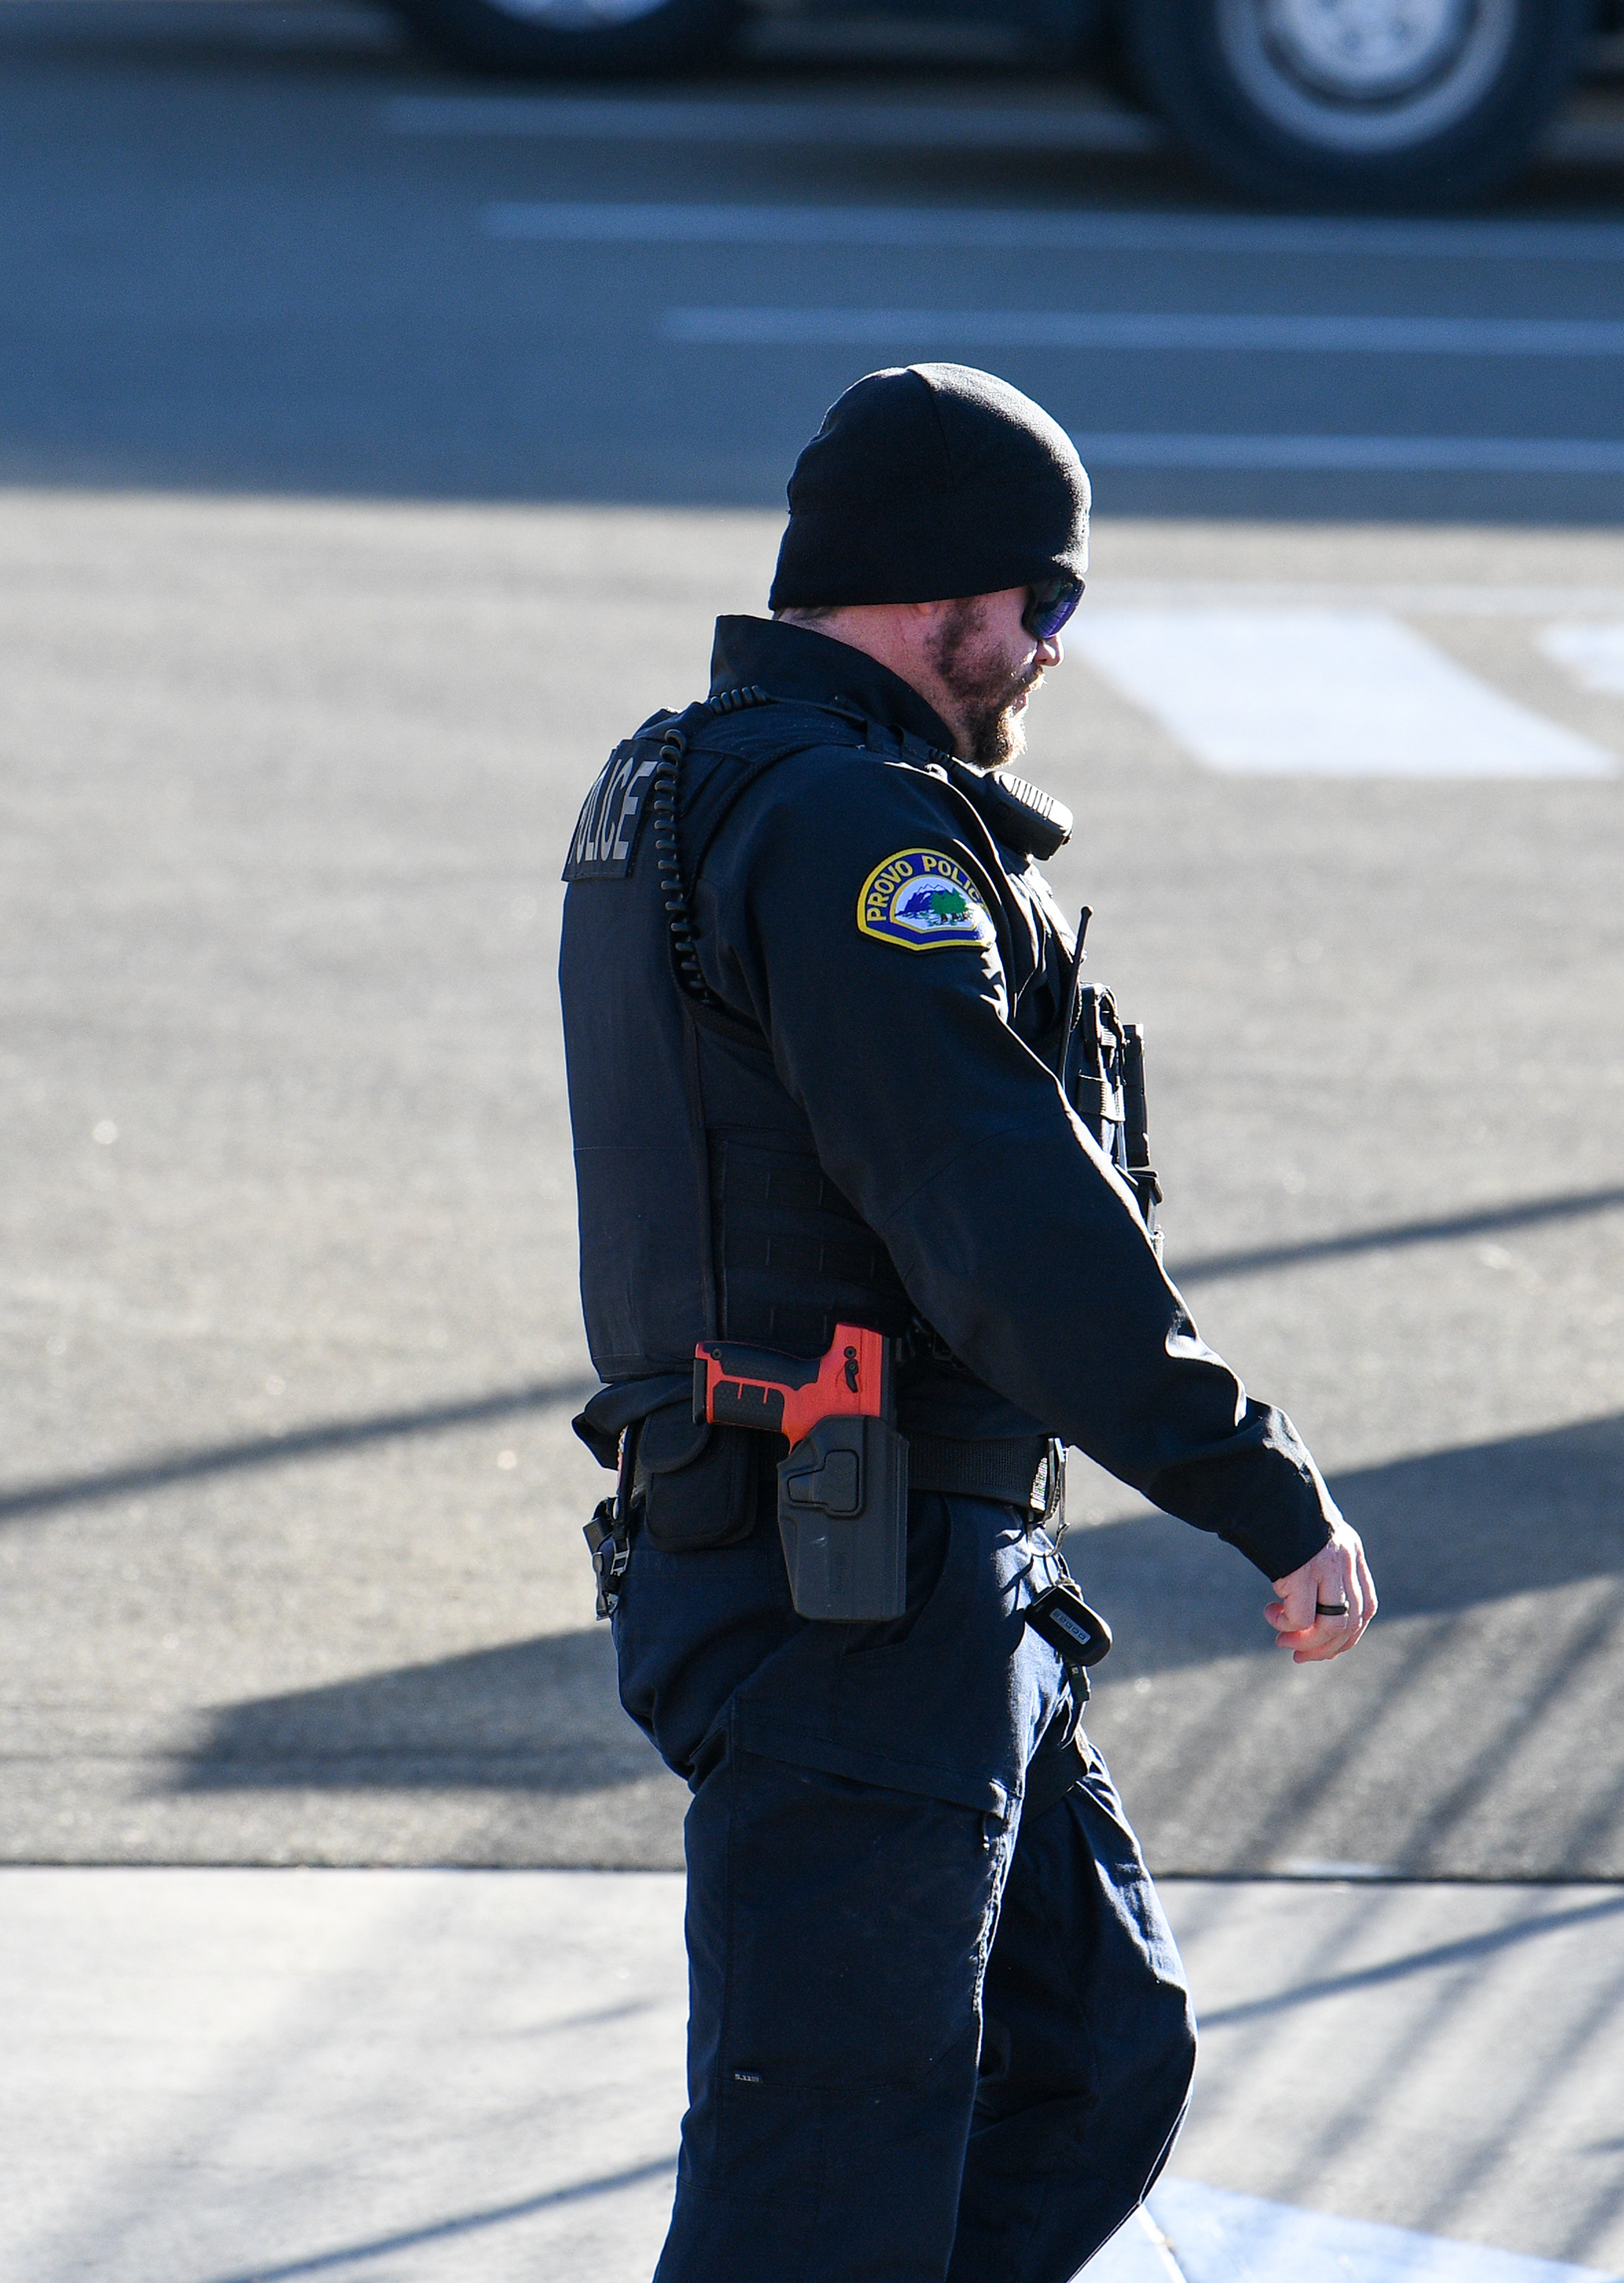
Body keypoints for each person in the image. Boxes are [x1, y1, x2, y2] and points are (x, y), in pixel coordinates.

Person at [556, 361, 1377, 2283]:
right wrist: (1260, 1489)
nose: (1052, 651)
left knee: (1087, 2057)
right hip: (846, 1592)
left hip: (892, 1576)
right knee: (824, 2178)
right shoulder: (858, 838)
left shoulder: (689, 775)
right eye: (1048, 604)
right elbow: (999, 1210)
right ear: (943, 593)